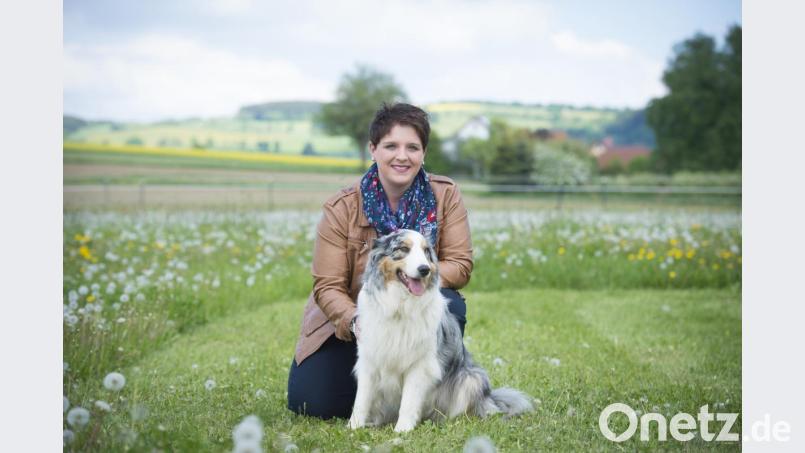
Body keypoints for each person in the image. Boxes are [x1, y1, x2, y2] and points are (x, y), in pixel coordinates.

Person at [286, 102, 473, 419]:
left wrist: (418, 273)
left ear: (423, 153)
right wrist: (357, 321)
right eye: (391, 146)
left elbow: (460, 264)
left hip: (416, 317)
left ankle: (418, 386)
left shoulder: (445, 195)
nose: (403, 156)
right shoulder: (341, 206)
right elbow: (327, 285)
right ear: (373, 149)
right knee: (314, 403)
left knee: (451, 305)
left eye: (412, 147)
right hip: (352, 319)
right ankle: (379, 384)